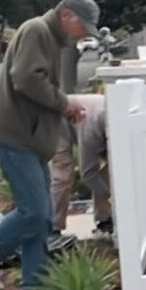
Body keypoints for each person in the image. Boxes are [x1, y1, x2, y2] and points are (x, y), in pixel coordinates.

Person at [0, 0, 99, 290]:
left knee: (41, 219)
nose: (83, 34)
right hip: (14, 138)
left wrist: (64, 108)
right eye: (83, 26)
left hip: (30, 141)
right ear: (66, 15)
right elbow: (25, 78)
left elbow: (38, 85)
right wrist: (64, 102)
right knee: (35, 212)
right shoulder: (37, 30)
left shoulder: (51, 38)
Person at [51, 93, 112, 236]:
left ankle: (104, 219)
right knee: (63, 174)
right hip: (60, 121)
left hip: (94, 121)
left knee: (112, 170)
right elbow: (88, 174)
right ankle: (52, 227)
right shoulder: (91, 129)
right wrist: (112, 197)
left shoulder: (120, 119)